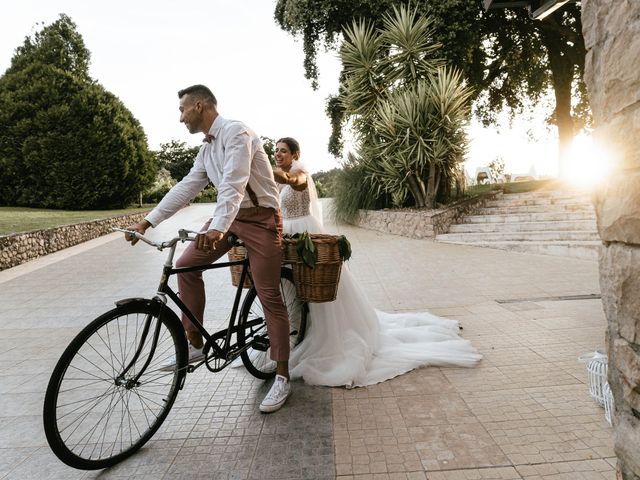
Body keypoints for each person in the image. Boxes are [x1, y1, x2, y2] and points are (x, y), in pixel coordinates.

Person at [125, 85, 291, 413]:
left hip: (260, 220)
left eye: (182, 110)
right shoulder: (206, 150)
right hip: (227, 219)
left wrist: (217, 228)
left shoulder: (236, 132)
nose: (180, 117)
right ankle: (196, 343)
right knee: (186, 266)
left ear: (200, 106)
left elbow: (234, 181)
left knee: (268, 293)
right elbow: (186, 187)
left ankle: (283, 376)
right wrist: (147, 222)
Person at [272, 137, 482, 387]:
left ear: (295, 154)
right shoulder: (281, 177)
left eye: (283, 151)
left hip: (306, 233)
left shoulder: (300, 175)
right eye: (275, 151)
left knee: (316, 292)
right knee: (294, 289)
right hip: (287, 236)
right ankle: (301, 329)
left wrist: (262, 168)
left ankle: (327, 336)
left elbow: (292, 182)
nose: (277, 154)